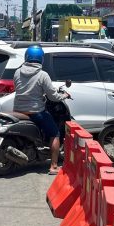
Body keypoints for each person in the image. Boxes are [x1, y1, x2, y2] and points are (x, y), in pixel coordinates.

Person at [12, 45, 71, 175]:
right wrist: (64, 95)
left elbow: (17, 87)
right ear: (41, 59)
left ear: (27, 56)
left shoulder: (17, 72)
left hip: (17, 110)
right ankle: (54, 166)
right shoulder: (42, 75)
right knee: (55, 133)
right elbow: (53, 96)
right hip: (35, 112)